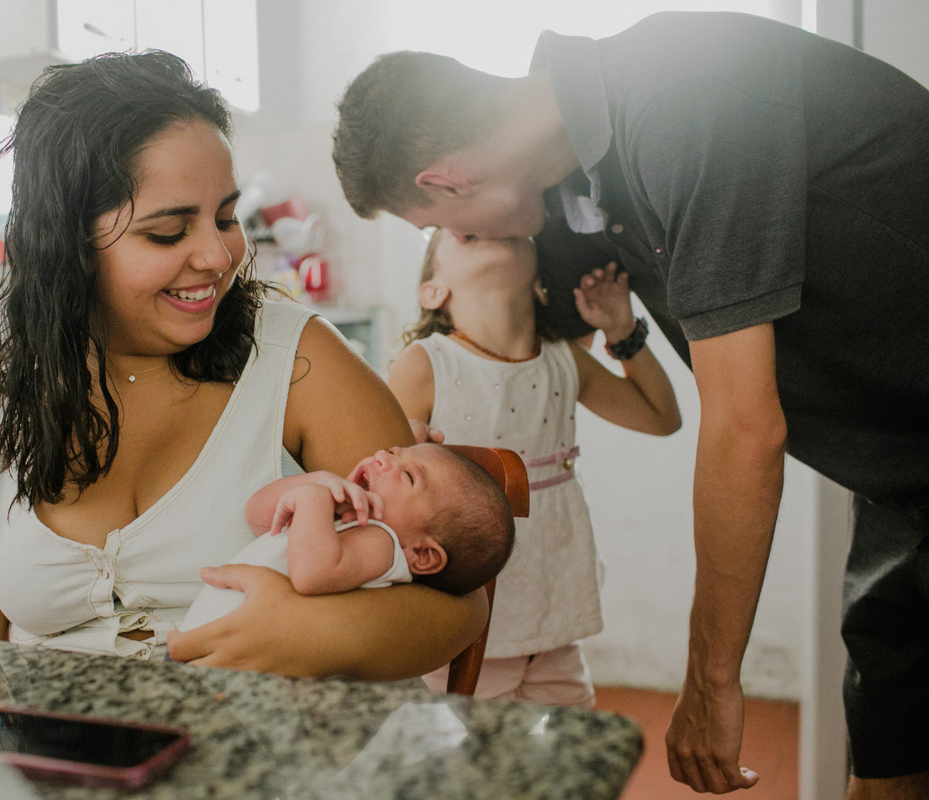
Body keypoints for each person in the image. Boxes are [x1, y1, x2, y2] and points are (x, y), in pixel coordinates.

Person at [331, 11, 929, 797]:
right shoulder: (574, 185)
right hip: (899, 473)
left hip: (902, 447)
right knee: (889, 734)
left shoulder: (689, 95)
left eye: (436, 224)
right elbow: (519, 332)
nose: (455, 238)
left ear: (448, 181)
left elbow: (743, 426)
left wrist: (712, 680)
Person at [0, 50, 492, 682]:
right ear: (67, 247)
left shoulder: (296, 360)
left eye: (226, 218)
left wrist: (315, 633)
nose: (219, 256)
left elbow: (457, 608)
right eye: (167, 233)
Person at [387, 229, 679, 707]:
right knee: (470, 764)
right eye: (463, 229)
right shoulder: (426, 364)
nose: (484, 225)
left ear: (540, 282)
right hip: (468, 630)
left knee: (567, 762)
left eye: (503, 225)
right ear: (433, 290)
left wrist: (621, 331)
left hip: (556, 622)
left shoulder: (565, 361)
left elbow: (662, 417)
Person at [180, 443, 516, 632]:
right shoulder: (343, 521)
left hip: (239, 664)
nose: (383, 458)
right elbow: (257, 516)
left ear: (422, 555)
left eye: (409, 476)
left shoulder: (383, 543)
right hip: (211, 649)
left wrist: (313, 498)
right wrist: (316, 482)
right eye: (396, 452)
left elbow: (312, 575)